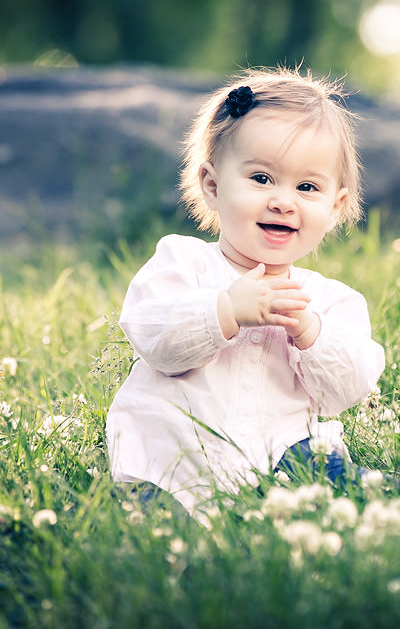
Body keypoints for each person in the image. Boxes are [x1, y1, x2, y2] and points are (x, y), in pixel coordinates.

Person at [106, 67, 385, 520]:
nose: (283, 200)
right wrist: (224, 310)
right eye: (261, 179)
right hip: (174, 459)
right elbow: (154, 338)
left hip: (280, 458)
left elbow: (349, 389)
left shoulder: (330, 301)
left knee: (330, 471)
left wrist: (311, 333)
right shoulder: (183, 263)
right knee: (162, 525)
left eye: (307, 187)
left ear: (335, 207)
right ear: (213, 186)